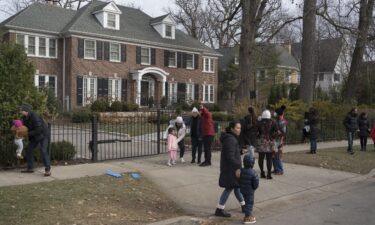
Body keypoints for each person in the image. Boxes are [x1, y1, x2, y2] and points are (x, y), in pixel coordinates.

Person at [214, 120, 245, 217]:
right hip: (231, 169)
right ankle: (219, 209)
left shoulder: (231, 138)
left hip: (231, 168)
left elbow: (231, 152)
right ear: (232, 129)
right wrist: (238, 167)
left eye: (240, 128)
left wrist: (239, 151)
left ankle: (244, 205)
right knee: (230, 187)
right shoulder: (231, 139)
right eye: (237, 128)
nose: (239, 130)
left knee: (237, 187)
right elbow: (230, 156)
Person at [20, 103, 51, 176]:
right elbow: (23, 127)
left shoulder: (34, 116)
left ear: (26, 111)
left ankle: (47, 170)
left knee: (43, 151)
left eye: (21, 110)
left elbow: (39, 129)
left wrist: (27, 134)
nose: (20, 111)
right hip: (35, 136)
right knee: (29, 149)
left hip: (43, 135)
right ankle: (30, 168)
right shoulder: (25, 118)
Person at [240, 154, 259, 224]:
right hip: (250, 191)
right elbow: (256, 183)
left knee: (245, 202)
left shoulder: (241, 170)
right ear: (252, 163)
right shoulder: (253, 173)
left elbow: (239, 179)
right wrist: (254, 188)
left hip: (242, 190)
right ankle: (247, 217)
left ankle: (247, 213)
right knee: (249, 203)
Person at [256, 109, 275, 179]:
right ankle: (269, 174)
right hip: (269, 141)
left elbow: (256, 132)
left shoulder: (259, 122)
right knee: (269, 159)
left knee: (260, 158)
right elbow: (277, 132)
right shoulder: (273, 122)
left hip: (261, 141)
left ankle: (262, 173)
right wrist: (272, 137)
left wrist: (258, 136)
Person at [272, 106, 287, 175]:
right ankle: (276, 169)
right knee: (274, 155)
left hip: (279, 141)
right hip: (275, 140)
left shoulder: (282, 122)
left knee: (278, 156)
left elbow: (283, 133)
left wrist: (281, 142)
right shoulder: (277, 121)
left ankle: (280, 170)